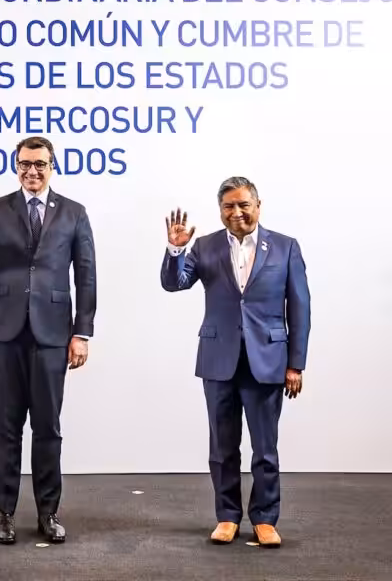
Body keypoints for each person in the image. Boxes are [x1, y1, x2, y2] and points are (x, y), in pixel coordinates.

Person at [0, 136, 95, 545]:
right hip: (4, 331)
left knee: (48, 427)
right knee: (7, 426)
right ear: (16, 166)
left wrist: (80, 332)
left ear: (53, 166)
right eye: (24, 164)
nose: (32, 171)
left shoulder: (74, 213)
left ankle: (48, 513)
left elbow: (86, 276)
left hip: (53, 333)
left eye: (40, 164)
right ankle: (5, 512)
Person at [161, 177, 310, 548]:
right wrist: (175, 250)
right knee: (222, 447)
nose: (237, 212)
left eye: (244, 205)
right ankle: (227, 516)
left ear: (258, 206)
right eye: (229, 206)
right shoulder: (205, 245)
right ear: (220, 210)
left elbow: (301, 308)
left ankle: (265, 519)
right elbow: (174, 283)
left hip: (268, 360)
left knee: (265, 448)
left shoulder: (285, 247)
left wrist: (296, 364)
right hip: (218, 360)